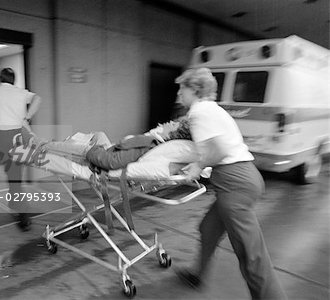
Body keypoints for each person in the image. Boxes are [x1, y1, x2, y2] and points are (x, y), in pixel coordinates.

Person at [174, 68, 287, 299]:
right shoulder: (212, 110)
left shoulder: (199, 113)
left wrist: (197, 167)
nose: (178, 94)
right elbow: (218, 147)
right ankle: (198, 274)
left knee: (250, 253)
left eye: (181, 88)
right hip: (240, 179)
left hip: (235, 184)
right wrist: (201, 163)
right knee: (208, 228)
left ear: (194, 89)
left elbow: (219, 149)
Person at [0, 67, 42, 231]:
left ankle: (22, 213)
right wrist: (27, 117)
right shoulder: (20, 92)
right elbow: (38, 99)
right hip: (21, 134)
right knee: (15, 174)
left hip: (3, 137)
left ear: (0, 79)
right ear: (14, 79)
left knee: (13, 175)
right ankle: (17, 205)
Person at [14, 118, 192, 171]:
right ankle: (63, 146)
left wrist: (92, 151)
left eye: (173, 124)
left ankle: (35, 143)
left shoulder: (150, 144)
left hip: (96, 157)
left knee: (47, 145)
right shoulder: (153, 140)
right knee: (99, 134)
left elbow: (112, 163)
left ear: (173, 134)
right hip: (108, 148)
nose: (168, 122)